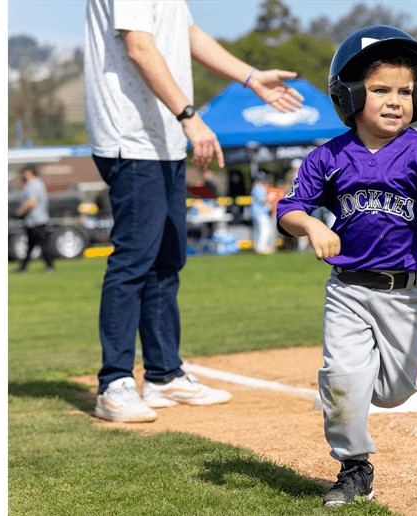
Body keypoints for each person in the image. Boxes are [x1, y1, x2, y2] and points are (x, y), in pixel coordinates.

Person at [274, 25, 417, 508]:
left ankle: (372, 401)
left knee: (391, 392)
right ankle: (354, 467)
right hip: (348, 289)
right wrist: (313, 228)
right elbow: (288, 209)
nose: (394, 101)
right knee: (343, 377)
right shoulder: (328, 157)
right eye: (380, 89)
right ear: (349, 94)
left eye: (405, 91)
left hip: (407, 293)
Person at [83, 0, 306, 423]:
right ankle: (113, 384)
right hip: (131, 137)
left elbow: (189, 34)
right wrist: (190, 116)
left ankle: (164, 376)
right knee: (133, 259)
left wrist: (251, 77)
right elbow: (139, 47)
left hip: (161, 137)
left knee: (168, 257)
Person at [13, 165, 54, 273]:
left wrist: (20, 211)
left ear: (28, 172)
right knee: (31, 246)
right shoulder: (36, 183)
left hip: (37, 220)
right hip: (33, 220)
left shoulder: (33, 184)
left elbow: (32, 202)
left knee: (42, 245)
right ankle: (23, 267)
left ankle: (50, 266)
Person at [250, 172, 276, 255]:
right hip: (260, 212)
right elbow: (262, 200)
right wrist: (270, 197)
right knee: (265, 230)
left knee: (258, 230)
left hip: (257, 212)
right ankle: (261, 247)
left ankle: (258, 247)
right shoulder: (258, 187)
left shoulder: (255, 187)